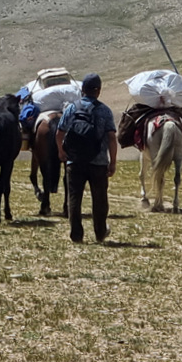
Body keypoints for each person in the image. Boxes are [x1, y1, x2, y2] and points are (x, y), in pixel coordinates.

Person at [55, 73, 118, 244]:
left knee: (74, 198)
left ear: (82, 90)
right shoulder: (104, 110)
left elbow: (60, 132)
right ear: (98, 90)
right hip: (98, 162)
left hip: (74, 161)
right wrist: (112, 161)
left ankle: (76, 235)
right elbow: (111, 137)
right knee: (100, 199)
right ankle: (99, 233)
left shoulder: (71, 108)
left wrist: (61, 152)